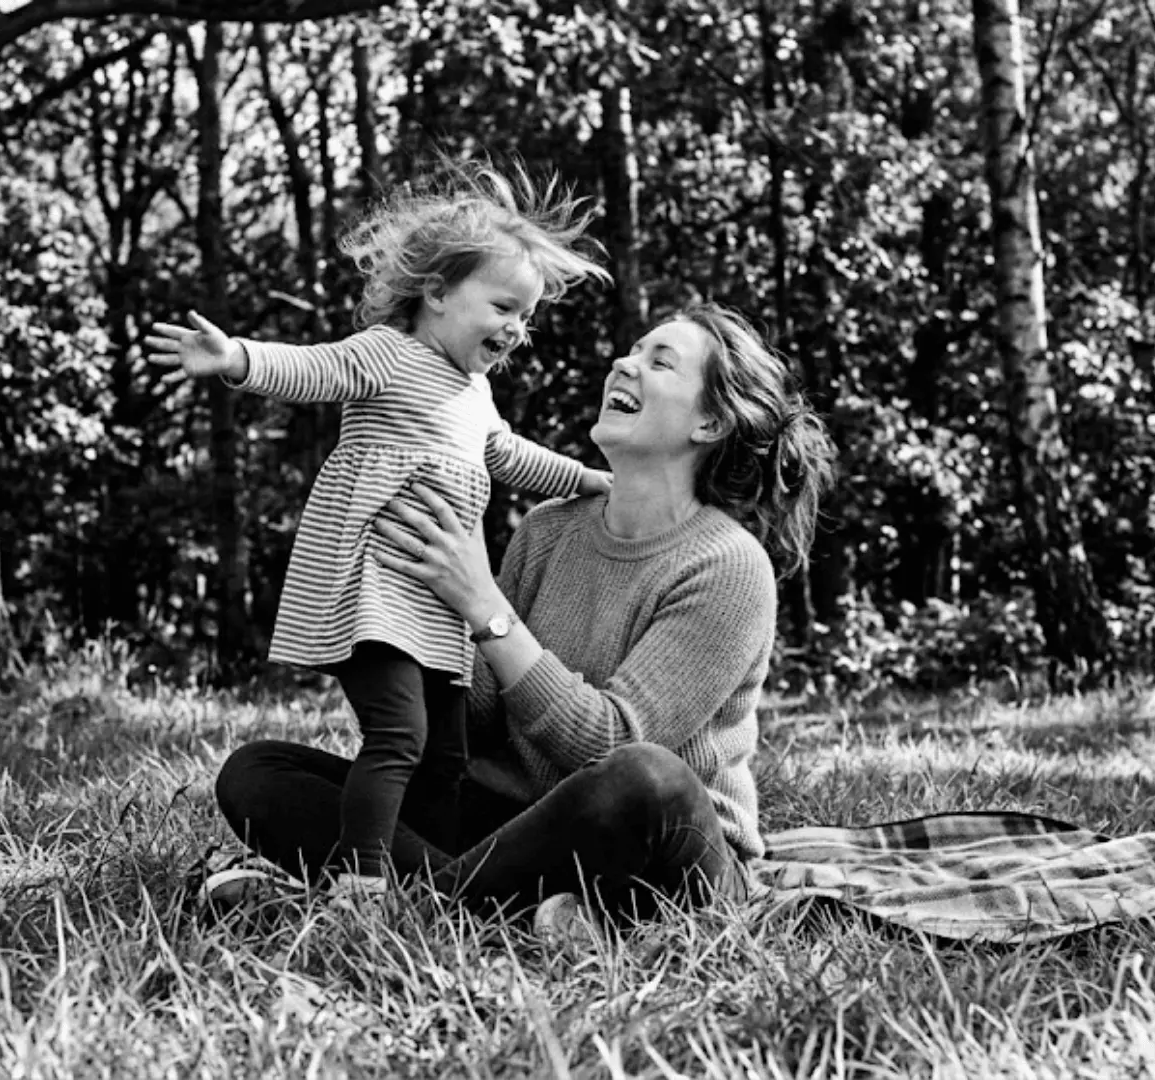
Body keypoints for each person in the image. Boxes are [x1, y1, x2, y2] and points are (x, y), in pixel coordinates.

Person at [209, 303, 837, 930]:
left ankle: (402, 905)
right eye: (633, 349)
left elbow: (611, 740)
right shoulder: (549, 529)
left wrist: (485, 607)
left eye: (659, 361)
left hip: (658, 849)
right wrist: (399, 636)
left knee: (643, 776)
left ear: (710, 422)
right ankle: (510, 909)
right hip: (512, 826)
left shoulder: (729, 567)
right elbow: (479, 725)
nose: (625, 362)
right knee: (260, 772)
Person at [144, 166, 613, 897]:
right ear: (436, 294)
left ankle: (417, 874)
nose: (517, 328)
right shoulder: (389, 353)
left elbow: (507, 453)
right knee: (399, 738)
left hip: (436, 608)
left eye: (526, 315)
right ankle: (363, 887)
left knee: (445, 758)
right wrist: (236, 358)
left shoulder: (475, 393)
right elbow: (313, 369)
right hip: (375, 590)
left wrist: (585, 481)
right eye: (503, 306)